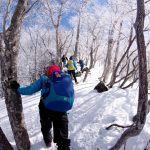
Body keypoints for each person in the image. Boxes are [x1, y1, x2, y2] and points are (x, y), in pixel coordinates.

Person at [10, 64, 71, 150]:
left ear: (49, 72)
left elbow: (30, 90)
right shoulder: (66, 78)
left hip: (46, 108)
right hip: (62, 109)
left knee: (45, 124)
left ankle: (48, 141)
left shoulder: (44, 79)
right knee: (62, 132)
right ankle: (63, 146)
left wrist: (18, 88)